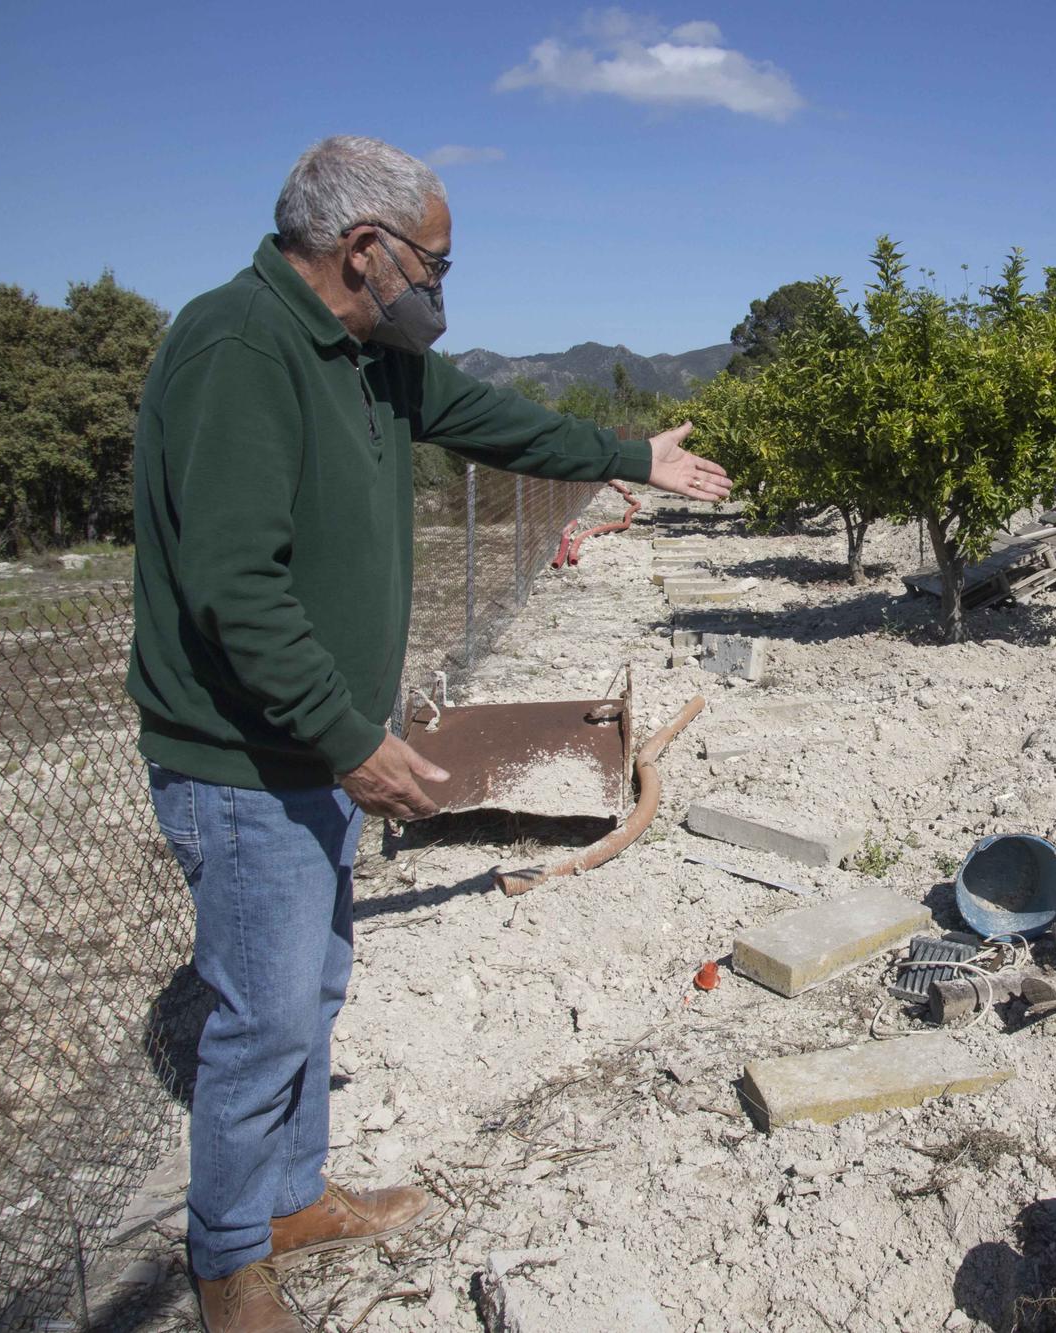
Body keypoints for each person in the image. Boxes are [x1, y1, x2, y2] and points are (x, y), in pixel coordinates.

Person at [126, 135, 730, 1332]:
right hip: (246, 761)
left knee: (313, 985)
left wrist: (628, 457)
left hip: (308, 752)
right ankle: (225, 1263)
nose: (447, 291)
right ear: (365, 250)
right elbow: (235, 586)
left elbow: (491, 421)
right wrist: (346, 736)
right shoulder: (240, 349)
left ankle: (288, 1200)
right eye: (437, 267)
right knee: (262, 1015)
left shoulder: (368, 356)